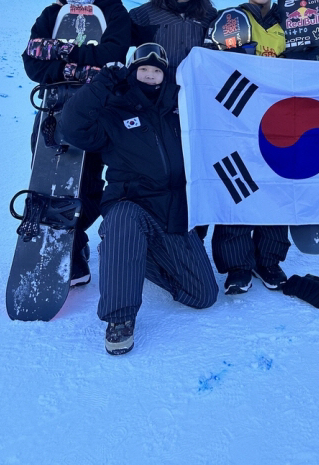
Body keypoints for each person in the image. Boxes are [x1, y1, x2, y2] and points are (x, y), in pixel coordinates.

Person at [61, 43, 218, 355]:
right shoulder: (112, 111)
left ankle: (128, 255)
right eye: (143, 69)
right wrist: (101, 85)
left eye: (156, 70)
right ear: (133, 73)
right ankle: (120, 318)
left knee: (203, 295)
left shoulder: (181, 107)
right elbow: (72, 127)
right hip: (130, 204)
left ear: (165, 74)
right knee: (123, 219)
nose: (149, 75)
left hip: (172, 212)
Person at [22, 0, 131, 286]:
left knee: (89, 178)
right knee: (47, 173)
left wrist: (59, 55)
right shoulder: (51, 13)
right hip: (54, 105)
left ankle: (75, 237)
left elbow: (113, 55)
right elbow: (31, 61)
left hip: (98, 107)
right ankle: (65, 248)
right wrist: (83, 61)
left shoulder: (113, 10)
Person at [207, 0, 291, 295]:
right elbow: (215, 59)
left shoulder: (286, 23)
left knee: (275, 182)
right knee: (238, 184)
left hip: (278, 115)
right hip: (239, 113)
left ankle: (268, 259)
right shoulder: (233, 18)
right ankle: (238, 265)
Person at [128, 0, 217, 85]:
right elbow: (116, 46)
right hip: (154, 97)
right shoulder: (142, 14)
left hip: (193, 94)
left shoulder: (210, 16)